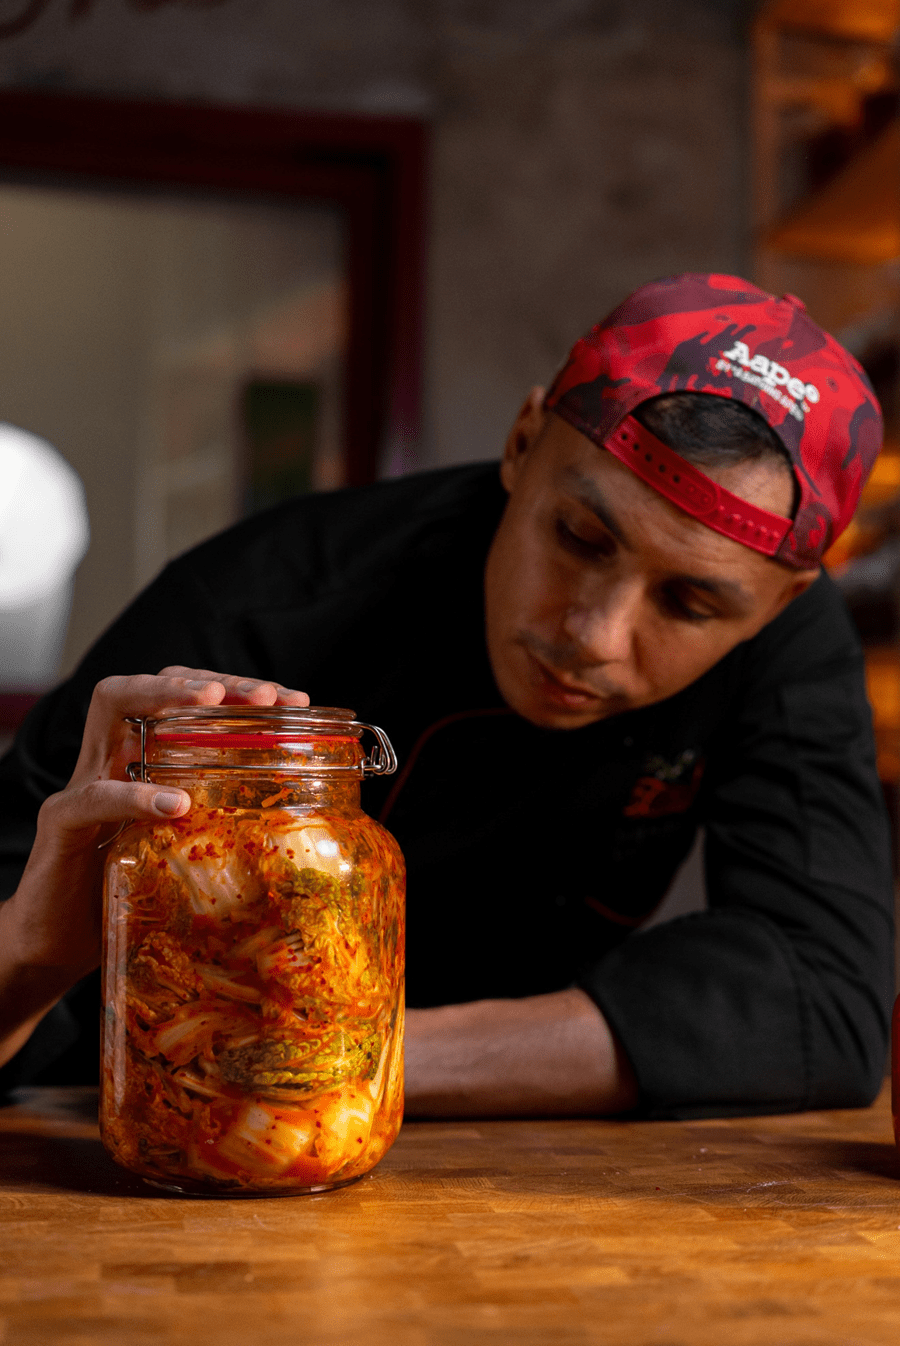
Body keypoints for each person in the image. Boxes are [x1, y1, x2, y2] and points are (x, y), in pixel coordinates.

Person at [0, 272, 892, 1120]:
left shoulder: (783, 638)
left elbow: (827, 996)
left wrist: (345, 1058)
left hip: (484, 1159)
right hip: (155, 1134)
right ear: (521, 443)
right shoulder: (252, 610)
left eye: (690, 604)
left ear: (780, 603)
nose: (595, 635)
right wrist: (35, 954)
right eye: (579, 537)